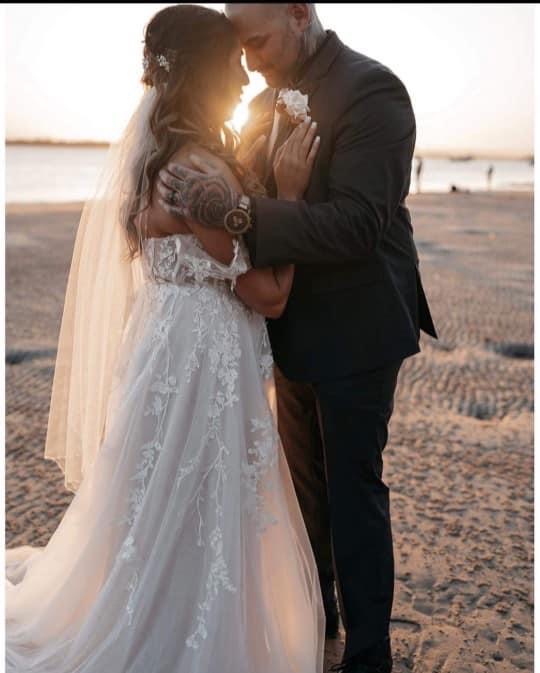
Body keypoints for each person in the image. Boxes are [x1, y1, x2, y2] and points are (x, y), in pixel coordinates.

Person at [5, 6, 325, 673]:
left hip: (166, 347)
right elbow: (269, 294)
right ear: (204, 75)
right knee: (196, 506)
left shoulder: (165, 160)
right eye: (231, 64)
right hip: (202, 362)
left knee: (158, 504)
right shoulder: (197, 174)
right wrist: (291, 195)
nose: (244, 79)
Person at [157, 4, 438, 673]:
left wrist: (240, 211)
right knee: (303, 487)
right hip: (286, 321)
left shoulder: (372, 90)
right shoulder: (258, 103)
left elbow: (357, 224)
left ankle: (369, 655)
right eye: (240, 46)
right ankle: (321, 621)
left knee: (353, 490)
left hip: (360, 324)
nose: (248, 58)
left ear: (300, 12)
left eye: (256, 40)